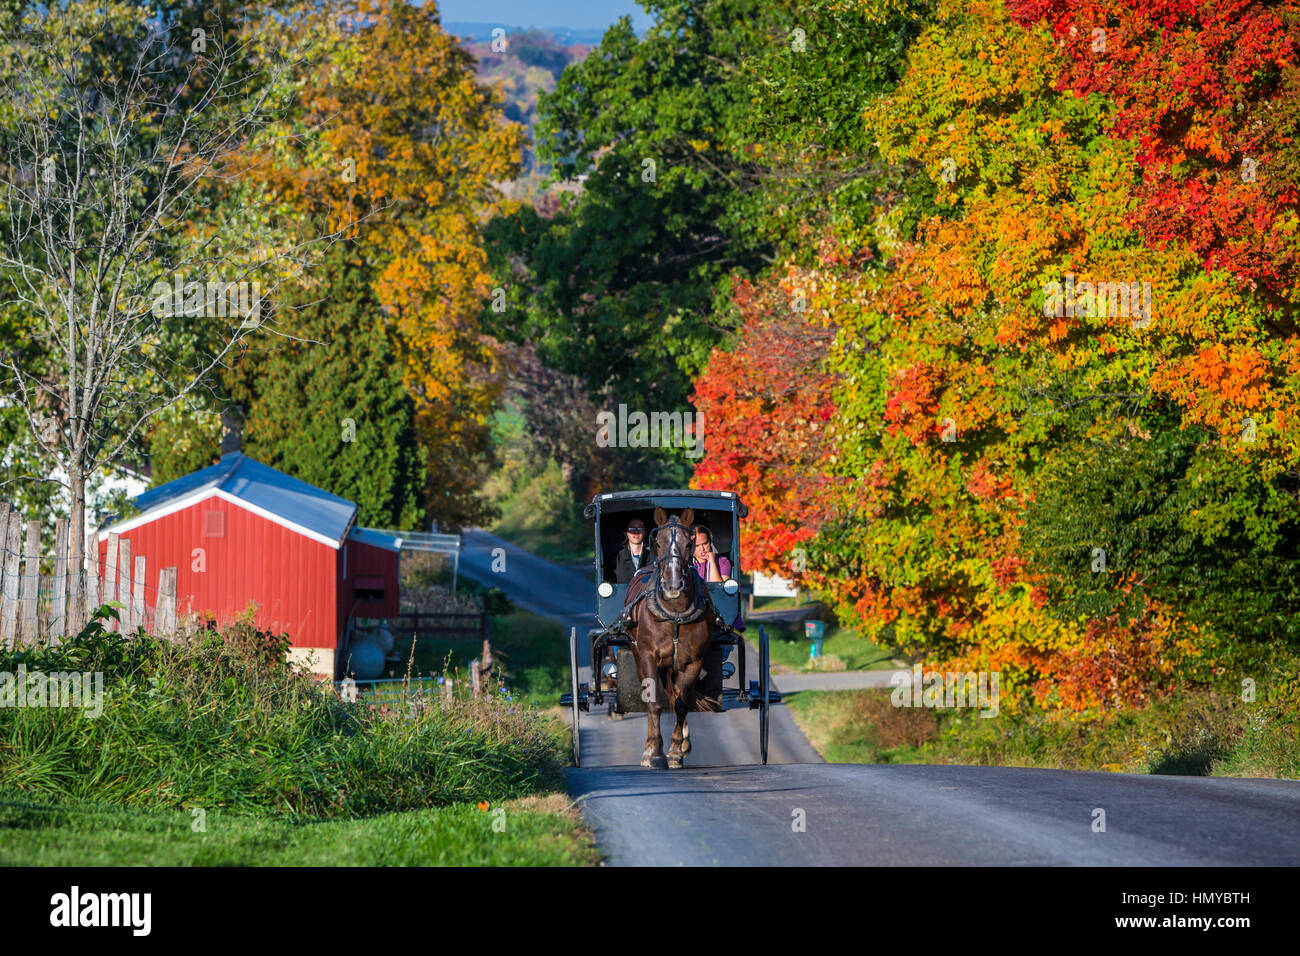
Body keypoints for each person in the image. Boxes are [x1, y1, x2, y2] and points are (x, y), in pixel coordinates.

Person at [609, 517, 653, 584]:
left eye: (640, 528)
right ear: (626, 532)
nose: (636, 531)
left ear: (645, 532)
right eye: (632, 528)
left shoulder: (654, 558)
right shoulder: (615, 560)